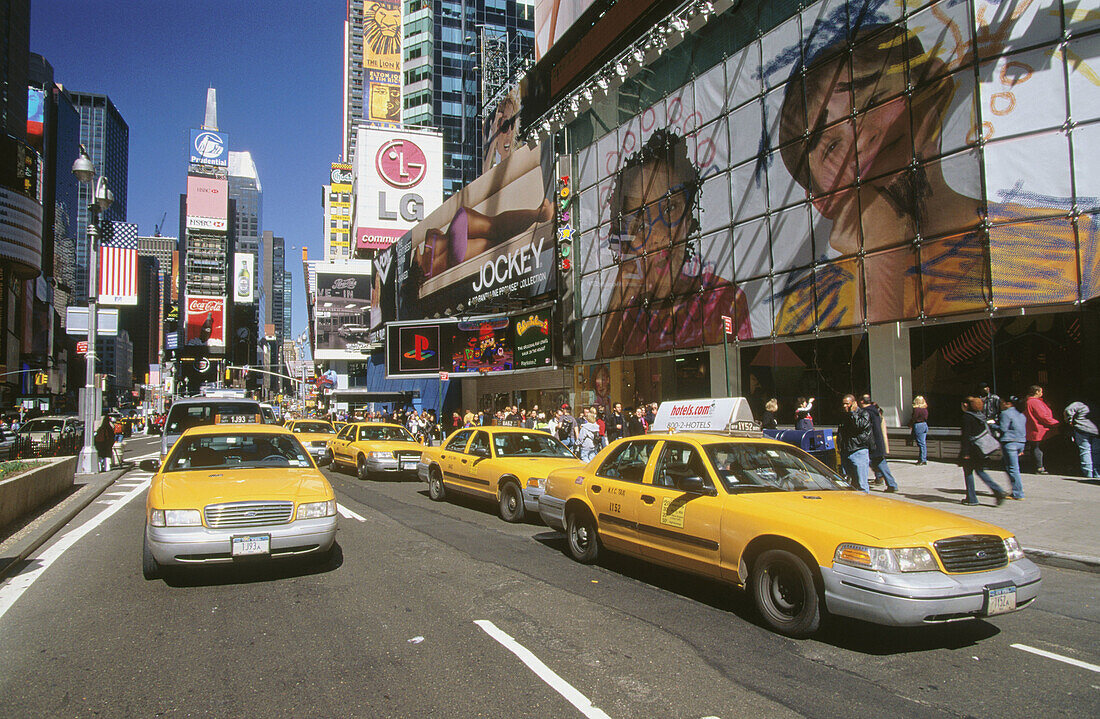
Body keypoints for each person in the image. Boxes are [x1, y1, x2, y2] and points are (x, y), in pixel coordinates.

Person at [774, 23, 1099, 330]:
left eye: (874, 102)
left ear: (935, 86)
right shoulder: (807, 307)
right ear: (821, 203)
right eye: (832, 147)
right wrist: (875, 255)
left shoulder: (1069, 241)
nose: (862, 139)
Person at [599, 128, 751, 358]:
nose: (660, 237)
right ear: (627, 244)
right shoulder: (626, 318)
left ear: (689, 217)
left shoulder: (724, 299)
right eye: (640, 226)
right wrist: (615, 304)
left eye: (670, 209)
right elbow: (599, 377)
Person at [959, 396, 1007, 506]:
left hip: (971, 449)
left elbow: (965, 436)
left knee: (968, 472)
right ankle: (997, 490)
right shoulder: (980, 416)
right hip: (981, 449)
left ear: (966, 405)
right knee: (980, 471)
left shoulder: (967, 417)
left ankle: (972, 498)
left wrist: (965, 452)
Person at [859, 395, 898, 493]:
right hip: (878, 441)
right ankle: (889, 483)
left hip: (871, 442)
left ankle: (890, 483)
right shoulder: (876, 412)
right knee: (880, 462)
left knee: (873, 462)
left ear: (862, 401)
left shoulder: (866, 413)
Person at [838, 395, 873, 492]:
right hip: (846, 450)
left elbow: (858, 426)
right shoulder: (844, 415)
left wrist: (853, 413)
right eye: (843, 404)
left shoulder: (863, 414)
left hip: (858, 449)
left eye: (847, 404)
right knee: (849, 482)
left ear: (854, 403)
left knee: (861, 483)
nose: (845, 406)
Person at [1024, 385, 1059, 474]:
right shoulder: (1035, 402)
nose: (1042, 393)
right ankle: (1039, 467)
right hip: (1039, 428)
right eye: (1041, 391)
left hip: (1032, 428)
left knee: (1035, 448)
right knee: (1038, 448)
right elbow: (1043, 416)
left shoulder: (1028, 402)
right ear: (1037, 392)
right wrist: (1055, 423)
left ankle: (1036, 466)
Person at [998, 397, 1027, 499]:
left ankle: (1018, 493)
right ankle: (1016, 490)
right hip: (1021, 442)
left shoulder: (1005, 414)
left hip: (1010, 442)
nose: (1000, 405)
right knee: (1013, 467)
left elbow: (1002, 428)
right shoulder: (1021, 415)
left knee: (1013, 468)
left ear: (1008, 403)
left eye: (1002, 403)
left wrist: (992, 425)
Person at [1064, 398, 1099, 479]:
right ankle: (1097, 474)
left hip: (1082, 429)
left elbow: (1068, 410)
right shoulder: (1096, 405)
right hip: (1096, 431)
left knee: (1085, 451)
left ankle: (1088, 474)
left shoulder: (1079, 404)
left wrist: (1069, 421)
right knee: (1096, 453)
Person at [910, 396, 929, 466]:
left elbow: (914, 418)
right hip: (924, 425)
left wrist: (910, 424)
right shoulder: (925, 410)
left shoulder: (917, 410)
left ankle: (922, 459)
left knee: (921, 444)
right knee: (923, 443)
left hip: (918, 425)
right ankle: (923, 458)